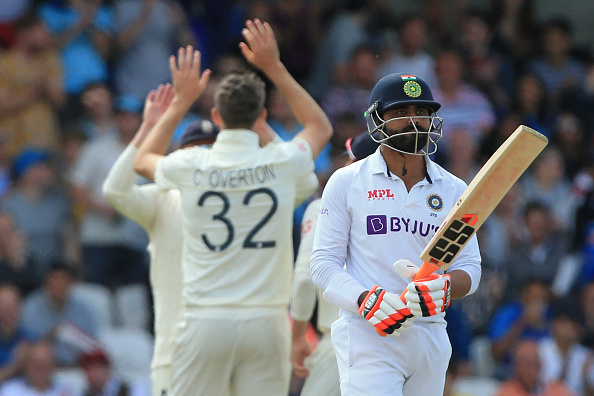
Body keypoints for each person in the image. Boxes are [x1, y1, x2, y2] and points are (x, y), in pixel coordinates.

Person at [133, 19, 332, 396]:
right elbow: (320, 128)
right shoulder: (282, 162)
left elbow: (143, 160)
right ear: (262, 117)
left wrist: (180, 101)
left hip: (204, 320)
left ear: (216, 117)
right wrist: (273, 66)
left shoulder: (192, 165)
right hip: (266, 323)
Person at [103, 84, 319, 396]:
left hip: (213, 332)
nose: (203, 154)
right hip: (177, 349)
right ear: (180, 154)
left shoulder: (244, 192)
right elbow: (115, 190)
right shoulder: (161, 200)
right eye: (195, 148)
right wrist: (149, 126)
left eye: (209, 146)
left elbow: (301, 180)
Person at [310, 72, 482, 395]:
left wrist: (444, 287)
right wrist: (365, 300)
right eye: (401, 113)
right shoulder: (347, 182)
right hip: (369, 332)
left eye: (422, 112)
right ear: (378, 120)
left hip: (431, 335)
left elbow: (471, 269)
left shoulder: (454, 189)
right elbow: (323, 265)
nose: (414, 122)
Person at [290, 132, 378, 396]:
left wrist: (298, 337)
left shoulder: (324, 206)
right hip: (398, 341)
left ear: (352, 163)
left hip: (344, 341)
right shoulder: (406, 212)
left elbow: (305, 279)